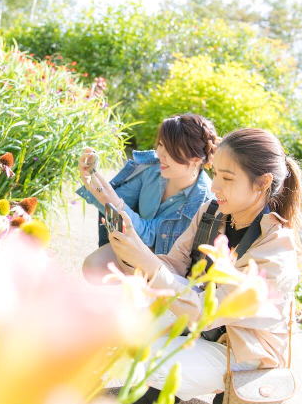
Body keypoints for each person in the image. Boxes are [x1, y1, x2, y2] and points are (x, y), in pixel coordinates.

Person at [106, 128, 302, 404]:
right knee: (119, 326)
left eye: (228, 178)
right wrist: (133, 255)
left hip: (238, 352)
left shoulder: (277, 249)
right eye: (215, 174)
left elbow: (209, 314)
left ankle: (205, 395)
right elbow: (173, 265)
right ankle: (166, 389)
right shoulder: (212, 213)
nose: (214, 186)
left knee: (146, 361)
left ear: (263, 183)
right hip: (199, 327)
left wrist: (150, 266)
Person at [77, 114, 217, 283]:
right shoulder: (152, 169)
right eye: (160, 144)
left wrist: (111, 200)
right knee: (94, 266)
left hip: (164, 266)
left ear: (195, 161)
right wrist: (91, 178)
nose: (159, 154)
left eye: (170, 150)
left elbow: (150, 235)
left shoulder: (202, 202)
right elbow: (116, 202)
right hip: (132, 246)